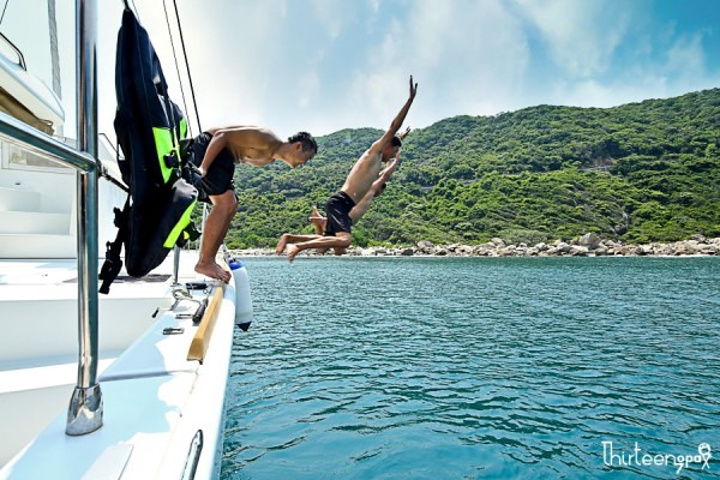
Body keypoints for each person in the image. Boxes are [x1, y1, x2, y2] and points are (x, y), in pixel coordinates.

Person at [276, 76, 417, 262]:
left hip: (343, 204)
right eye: (394, 152)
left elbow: (393, 144)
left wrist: (401, 138)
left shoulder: (377, 163)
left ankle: (290, 238)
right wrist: (409, 101)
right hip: (341, 202)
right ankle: (297, 246)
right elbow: (393, 127)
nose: (392, 157)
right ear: (388, 146)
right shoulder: (374, 152)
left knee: (325, 246)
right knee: (344, 241)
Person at [191, 127, 318, 281]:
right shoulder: (266, 138)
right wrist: (204, 167)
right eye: (307, 158)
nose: (304, 163)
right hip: (210, 146)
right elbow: (221, 135)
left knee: (231, 205)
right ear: (298, 146)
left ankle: (209, 260)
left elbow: (237, 155)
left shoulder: (269, 159)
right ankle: (205, 262)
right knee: (225, 203)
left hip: (225, 159)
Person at [308, 142, 403, 255]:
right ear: (380, 187)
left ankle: (320, 225)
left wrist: (389, 160)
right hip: (346, 217)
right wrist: (396, 161)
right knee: (339, 247)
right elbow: (384, 176)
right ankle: (321, 224)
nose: (381, 193)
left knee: (328, 249)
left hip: (346, 218)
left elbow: (384, 173)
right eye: (382, 189)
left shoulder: (367, 190)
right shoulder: (371, 188)